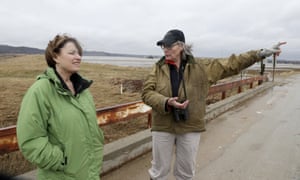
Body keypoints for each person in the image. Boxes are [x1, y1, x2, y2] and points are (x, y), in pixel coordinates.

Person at [142, 29, 285, 180]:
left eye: (169, 46)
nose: (165, 49)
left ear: (181, 46)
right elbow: (146, 93)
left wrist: (261, 53)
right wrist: (166, 102)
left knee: (185, 173)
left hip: (190, 125)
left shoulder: (202, 67)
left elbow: (232, 64)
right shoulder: (157, 68)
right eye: (163, 46)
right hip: (163, 126)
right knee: (159, 172)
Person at [17, 34, 104, 180]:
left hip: (89, 173)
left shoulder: (83, 90)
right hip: (60, 175)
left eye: (79, 53)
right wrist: (61, 160)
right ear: (55, 57)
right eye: (72, 53)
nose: (78, 57)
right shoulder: (40, 90)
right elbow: (30, 140)